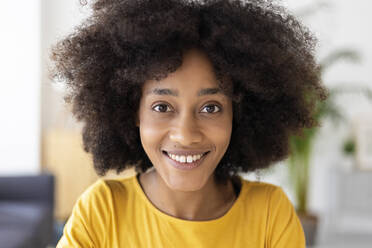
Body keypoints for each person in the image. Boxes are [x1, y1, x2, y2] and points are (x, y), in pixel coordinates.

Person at [51, 0, 327, 247]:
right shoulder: (102, 211)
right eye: (162, 107)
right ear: (133, 112)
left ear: (237, 113)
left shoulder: (270, 214)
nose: (185, 135)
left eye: (210, 107)